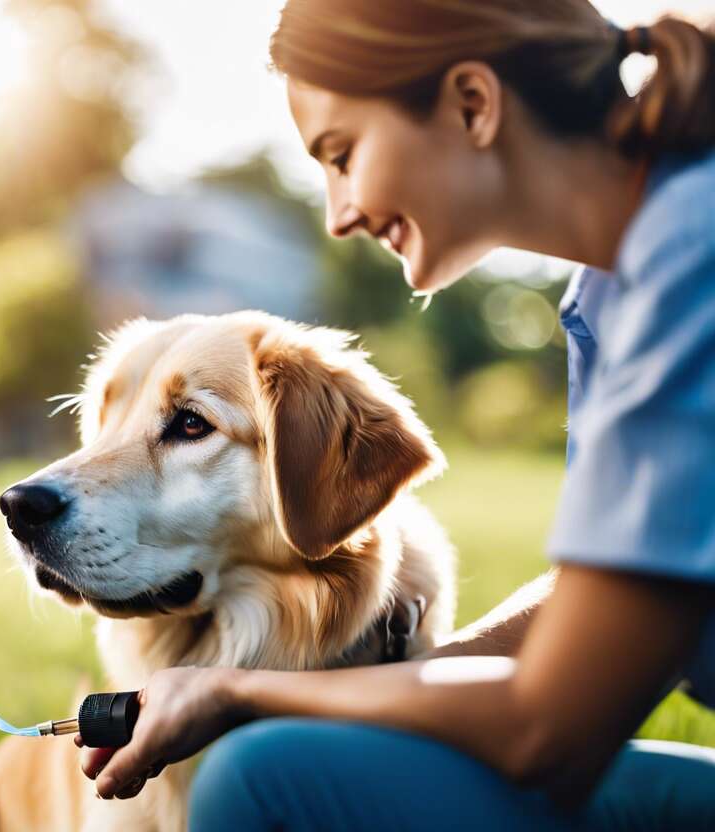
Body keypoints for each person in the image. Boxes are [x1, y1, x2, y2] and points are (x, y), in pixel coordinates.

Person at [76, 2, 715, 828]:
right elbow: (621, 591)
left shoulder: (688, 264)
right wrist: (407, 678)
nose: (339, 212)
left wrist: (237, 690)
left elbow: (549, 728)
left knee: (263, 776)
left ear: (473, 105)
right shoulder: (616, 292)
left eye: (342, 156)